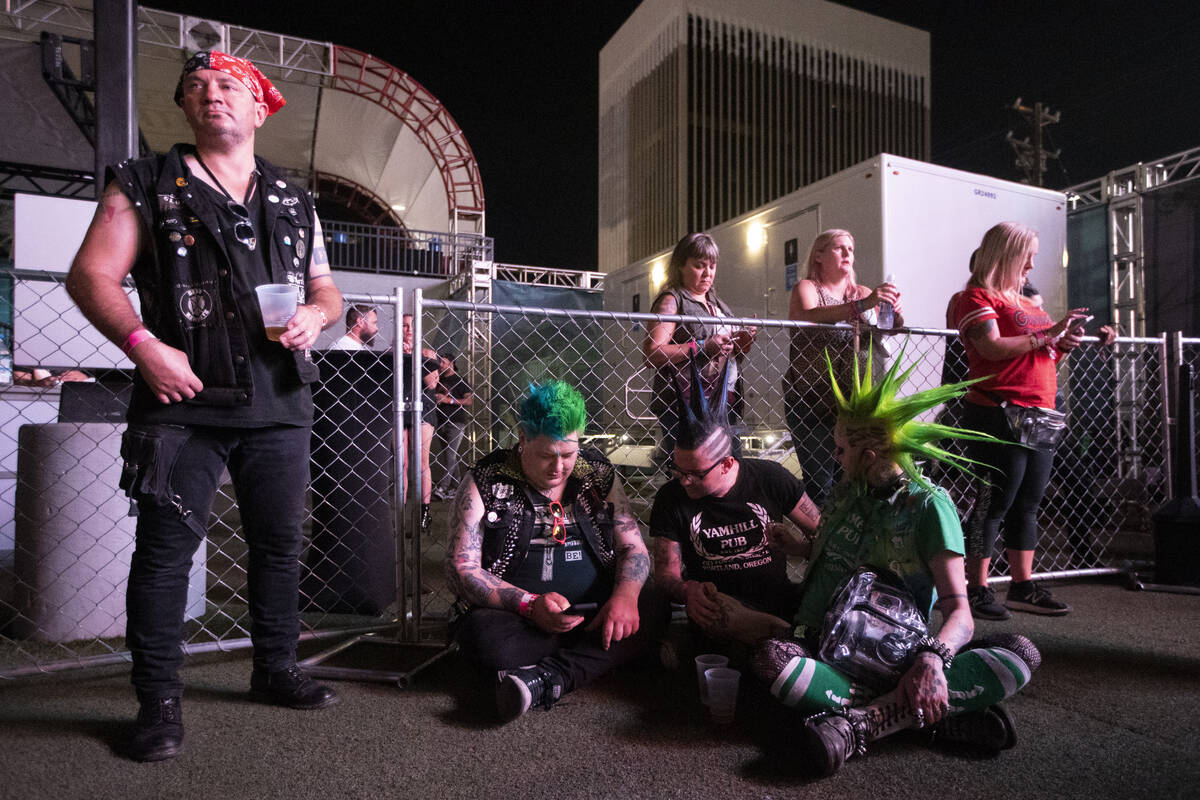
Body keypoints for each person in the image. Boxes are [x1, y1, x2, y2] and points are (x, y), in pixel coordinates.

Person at [65, 51, 343, 762]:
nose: (210, 94)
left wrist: (318, 316)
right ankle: (158, 702)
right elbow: (92, 274)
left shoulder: (292, 196)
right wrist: (143, 346)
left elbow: (327, 290)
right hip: (182, 398)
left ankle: (275, 669)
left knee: (280, 547)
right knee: (165, 557)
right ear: (186, 110)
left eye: (228, 86)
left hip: (281, 399)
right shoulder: (147, 181)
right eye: (196, 88)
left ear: (259, 108)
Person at [750, 348, 1042, 777]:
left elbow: (960, 611)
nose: (835, 458)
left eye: (841, 449)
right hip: (824, 646)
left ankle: (862, 724)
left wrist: (930, 661)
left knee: (1020, 653)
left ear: (869, 458)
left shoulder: (928, 506)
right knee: (773, 661)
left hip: (895, 653)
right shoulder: (846, 492)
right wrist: (798, 546)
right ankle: (925, 715)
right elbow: (838, 554)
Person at [445, 381, 659, 721]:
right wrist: (529, 606)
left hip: (595, 608)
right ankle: (598, 657)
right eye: (546, 455)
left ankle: (545, 678)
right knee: (480, 635)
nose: (559, 467)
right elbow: (461, 569)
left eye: (569, 454)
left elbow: (633, 547)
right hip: (521, 618)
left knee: (653, 604)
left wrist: (625, 597)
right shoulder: (486, 479)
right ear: (522, 439)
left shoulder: (598, 474)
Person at [950, 222, 1116, 620]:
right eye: (1028, 256)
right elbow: (990, 347)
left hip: (1038, 412)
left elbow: (1043, 356)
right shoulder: (973, 296)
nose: (1031, 265)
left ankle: (1022, 586)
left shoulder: (1027, 303)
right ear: (1006, 254)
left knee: (1028, 503)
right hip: (996, 410)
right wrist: (1049, 337)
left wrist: (1068, 343)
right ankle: (976, 590)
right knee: (995, 501)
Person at [650, 358, 820, 648]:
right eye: (678, 470)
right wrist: (688, 590)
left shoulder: (770, 478)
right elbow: (666, 575)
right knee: (718, 614)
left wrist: (800, 548)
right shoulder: (670, 498)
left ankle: (782, 640)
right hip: (720, 610)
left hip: (777, 598)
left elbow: (825, 534)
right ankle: (786, 641)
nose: (684, 481)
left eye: (696, 474)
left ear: (727, 464)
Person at [784, 229, 903, 507]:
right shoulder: (808, 288)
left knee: (854, 479)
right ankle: (818, 542)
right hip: (812, 401)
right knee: (820, 482)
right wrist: (864, 305)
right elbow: (808, 316)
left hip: (853, 404)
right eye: (840, 248)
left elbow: (885, 330)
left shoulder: (860, 291)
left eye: (851, 248)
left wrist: (893, 314)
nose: (848, 254)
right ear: (819, 255)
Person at [643, 233, 755, 456]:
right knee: (692, 471)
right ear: (680, 266)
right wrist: (703, 346)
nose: (708, 273)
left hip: (724, 400)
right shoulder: (672, 300)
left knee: (731, 469)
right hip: (685, 405)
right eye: (699, 266)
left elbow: (733, 353)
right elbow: (652, 353)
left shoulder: (718, 304)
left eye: (712, 266)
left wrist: (743, 340)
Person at [432, 353, 473, 500]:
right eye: (439, 362)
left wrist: (448, 400)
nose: (440, 365)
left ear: (452, 363)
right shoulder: (438, 379)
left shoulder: (460, 380)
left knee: (450, 456)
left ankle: (442, 488)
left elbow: (468, 401)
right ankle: (457, 488)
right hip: (441, 422)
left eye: (443, 362)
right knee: (450, 457)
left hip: (456, 422)